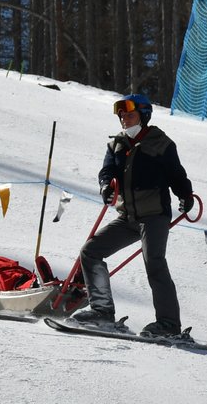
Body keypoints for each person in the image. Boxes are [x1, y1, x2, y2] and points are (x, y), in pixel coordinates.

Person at [71, 93, 193, 337]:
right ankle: (102, 310)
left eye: (130, 115)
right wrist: (106, 186)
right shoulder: (116, 144)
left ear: (144, 116)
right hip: (128, 218)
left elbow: (176, 175)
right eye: (122, 116)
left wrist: (185, 195)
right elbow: (107, 171)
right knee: (90, 252)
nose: (125, 120)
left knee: (154, 263)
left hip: (154, 216)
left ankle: (169, 324)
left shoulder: (161, 143)